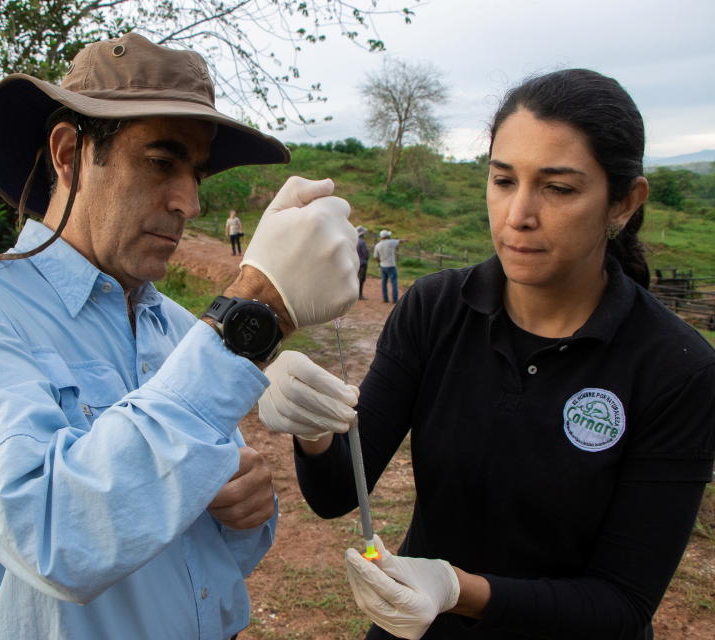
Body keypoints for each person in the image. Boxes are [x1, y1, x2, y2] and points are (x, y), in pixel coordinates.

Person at [0, 32, 360, 640]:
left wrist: (245, 512)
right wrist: (256, 311)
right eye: (161, 162)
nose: (189, 202)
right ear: (70, 154)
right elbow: (53, 534)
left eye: (196, 173)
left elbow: (209, 565)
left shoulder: (180, 331)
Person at [256, 68, 715, 639]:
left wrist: (456, 589)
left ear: (623, 203)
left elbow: (621, 605)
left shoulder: (674, 366)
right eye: (503, 180)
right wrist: (313, 429)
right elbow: (335, 495)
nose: (518, 215)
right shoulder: (435, 309)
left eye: (559, 188)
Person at [373, 229, 402, 303]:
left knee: (384, 283)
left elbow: (376, 256)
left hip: (383, 266)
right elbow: (400, 241)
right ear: (387, 236)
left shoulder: (378, 245)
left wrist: (379, 263)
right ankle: (395, 299)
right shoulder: (391, 242)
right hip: (391, 265)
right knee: (394, 282)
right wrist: (407, 240)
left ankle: (385, 299)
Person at [356, 226, 369, 299]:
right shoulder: (362, 242)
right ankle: (360, 295)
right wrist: (367, 257)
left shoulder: (354, 240)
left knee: (356, 279)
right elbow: (365, 253)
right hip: (362, 263)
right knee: (361, 279)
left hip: (355, 263)